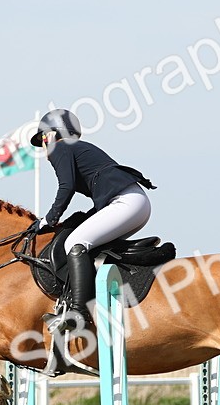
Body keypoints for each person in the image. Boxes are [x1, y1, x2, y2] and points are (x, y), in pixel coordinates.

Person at [32, 109, 156, 333]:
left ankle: (78, 313)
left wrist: (48, 220)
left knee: (74, 243)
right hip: (133, 203)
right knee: (84, 240)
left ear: (50, 134)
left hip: (125, 203)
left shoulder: (60, 147)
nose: (42, 146)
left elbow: (66, 187)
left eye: (42, 138)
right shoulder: (76, 149)